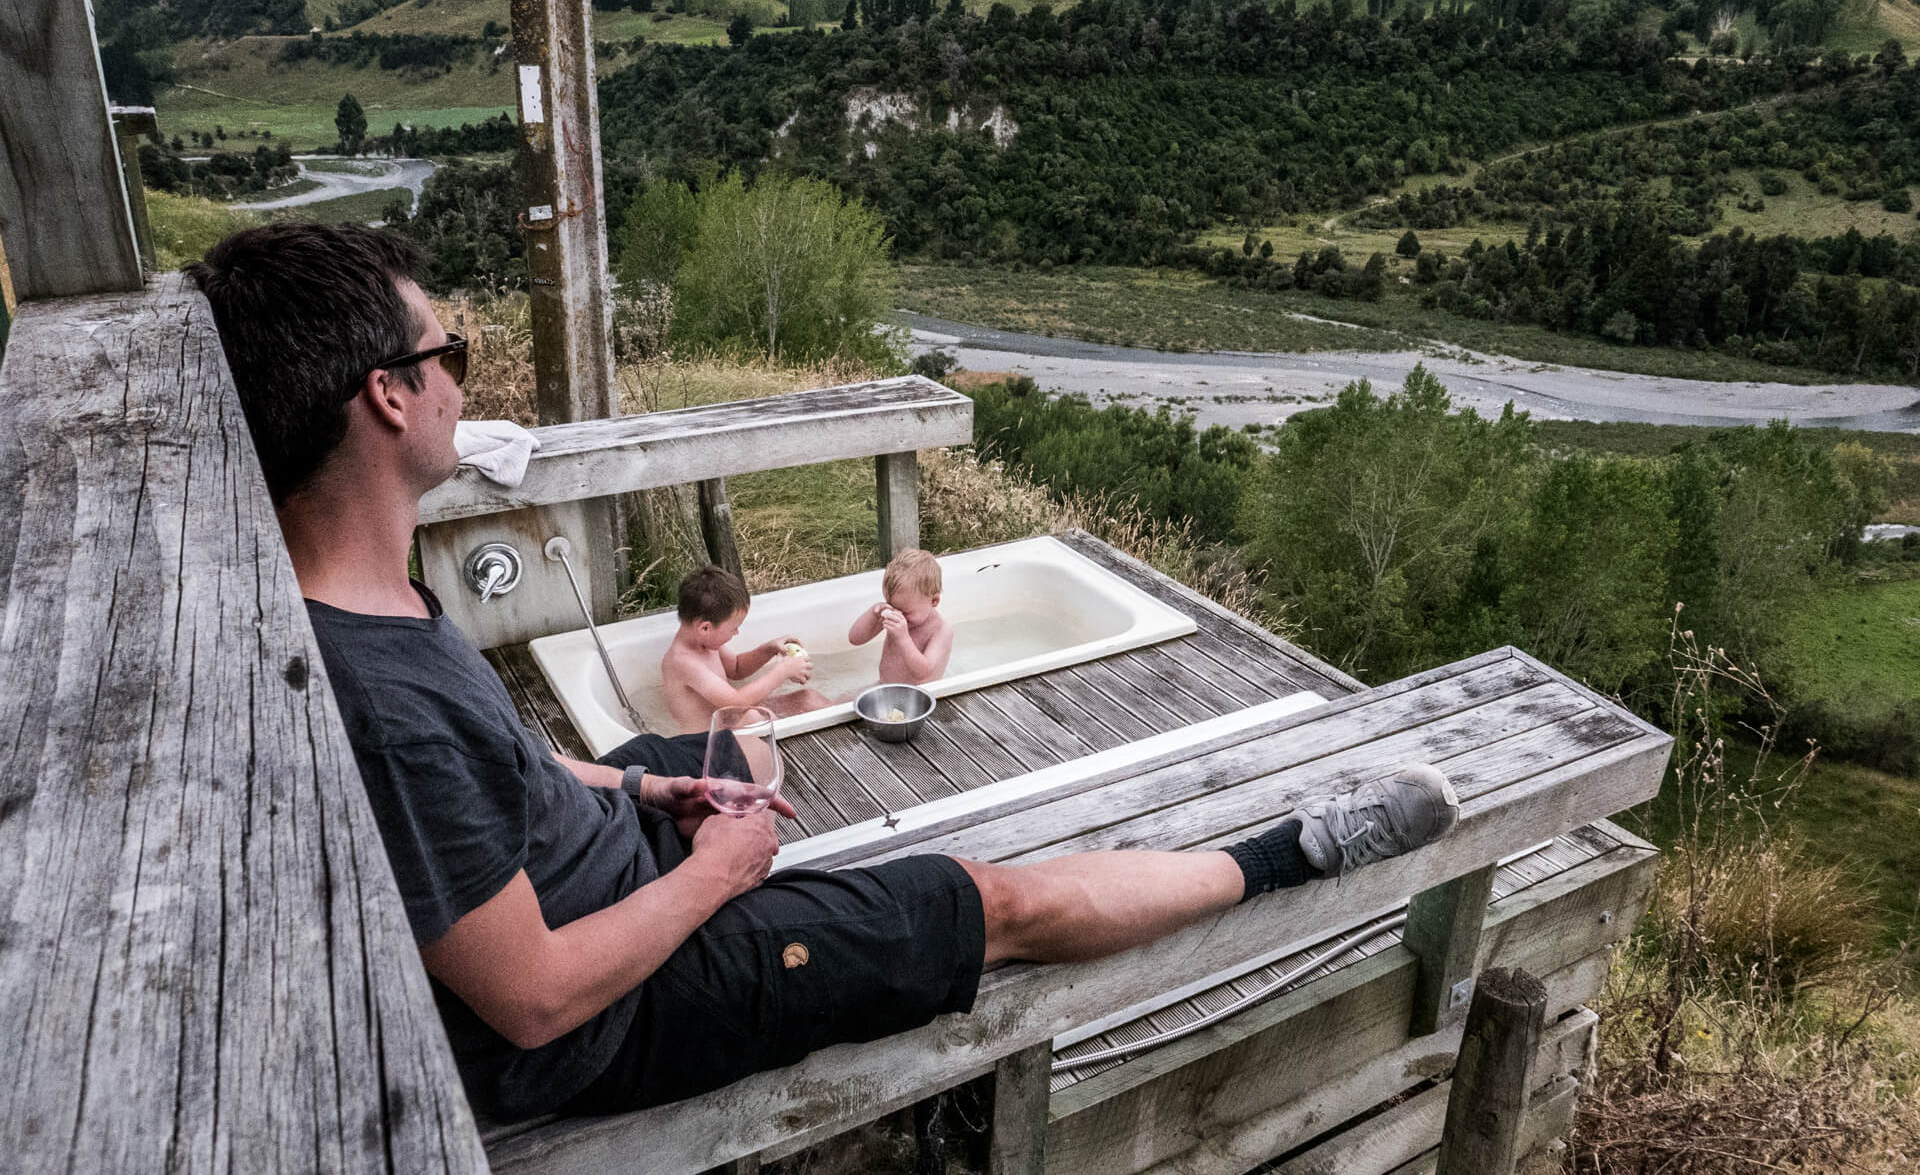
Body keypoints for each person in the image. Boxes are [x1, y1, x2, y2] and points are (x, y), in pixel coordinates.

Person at [190, 223, 1461, 1122]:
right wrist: (716, 870)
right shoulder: (378, 699)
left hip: (603, 856)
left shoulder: (364, 596)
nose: (462, 377)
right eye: (451, 351)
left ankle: (716, 823)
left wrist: (641, 791)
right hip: (613, 1009)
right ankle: (1293, 849)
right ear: (389, 395)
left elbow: (502, 769)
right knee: (987, 896)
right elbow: (531, 1001)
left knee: (742, 749)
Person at [660, 565, 832, 733]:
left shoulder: (707, 642)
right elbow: (736, 703)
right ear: (705, 628)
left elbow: (736, 668)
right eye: (733, 628)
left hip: (732, 720)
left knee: (808, 699)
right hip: (708, 740)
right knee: (756, 719)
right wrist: (783, 671)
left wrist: (769, 649)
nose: (737, 632)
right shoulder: (683, 662)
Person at [848, 547, 954, 686]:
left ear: (934, 601)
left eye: (906, 612)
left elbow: (924, 673)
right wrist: (873, 614)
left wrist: (903, 639)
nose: (898, 614)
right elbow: (855, 639)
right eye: (892, 606)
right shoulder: (898, 614)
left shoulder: (941, 630)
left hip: (919, 694)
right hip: (885, 686)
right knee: (835, 698)